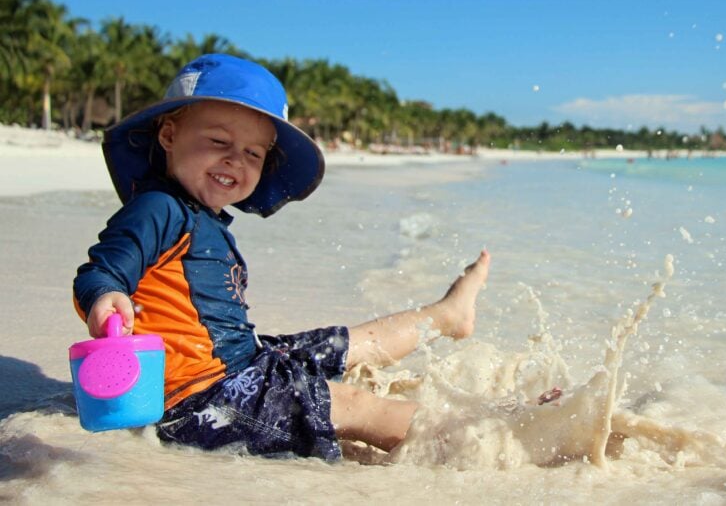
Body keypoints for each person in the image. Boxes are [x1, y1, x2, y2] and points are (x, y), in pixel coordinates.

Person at [72, 54, 490, 460]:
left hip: (243, 365)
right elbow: (99, 272)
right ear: (168, 135)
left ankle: (446, 317)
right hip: (200, 400)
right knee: (354, 405)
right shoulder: (158, 208)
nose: (235, 159)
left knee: (338, 345)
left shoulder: (205, 218)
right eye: (218, 141)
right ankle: (489, 437)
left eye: (254, 153)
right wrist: (106, 296)